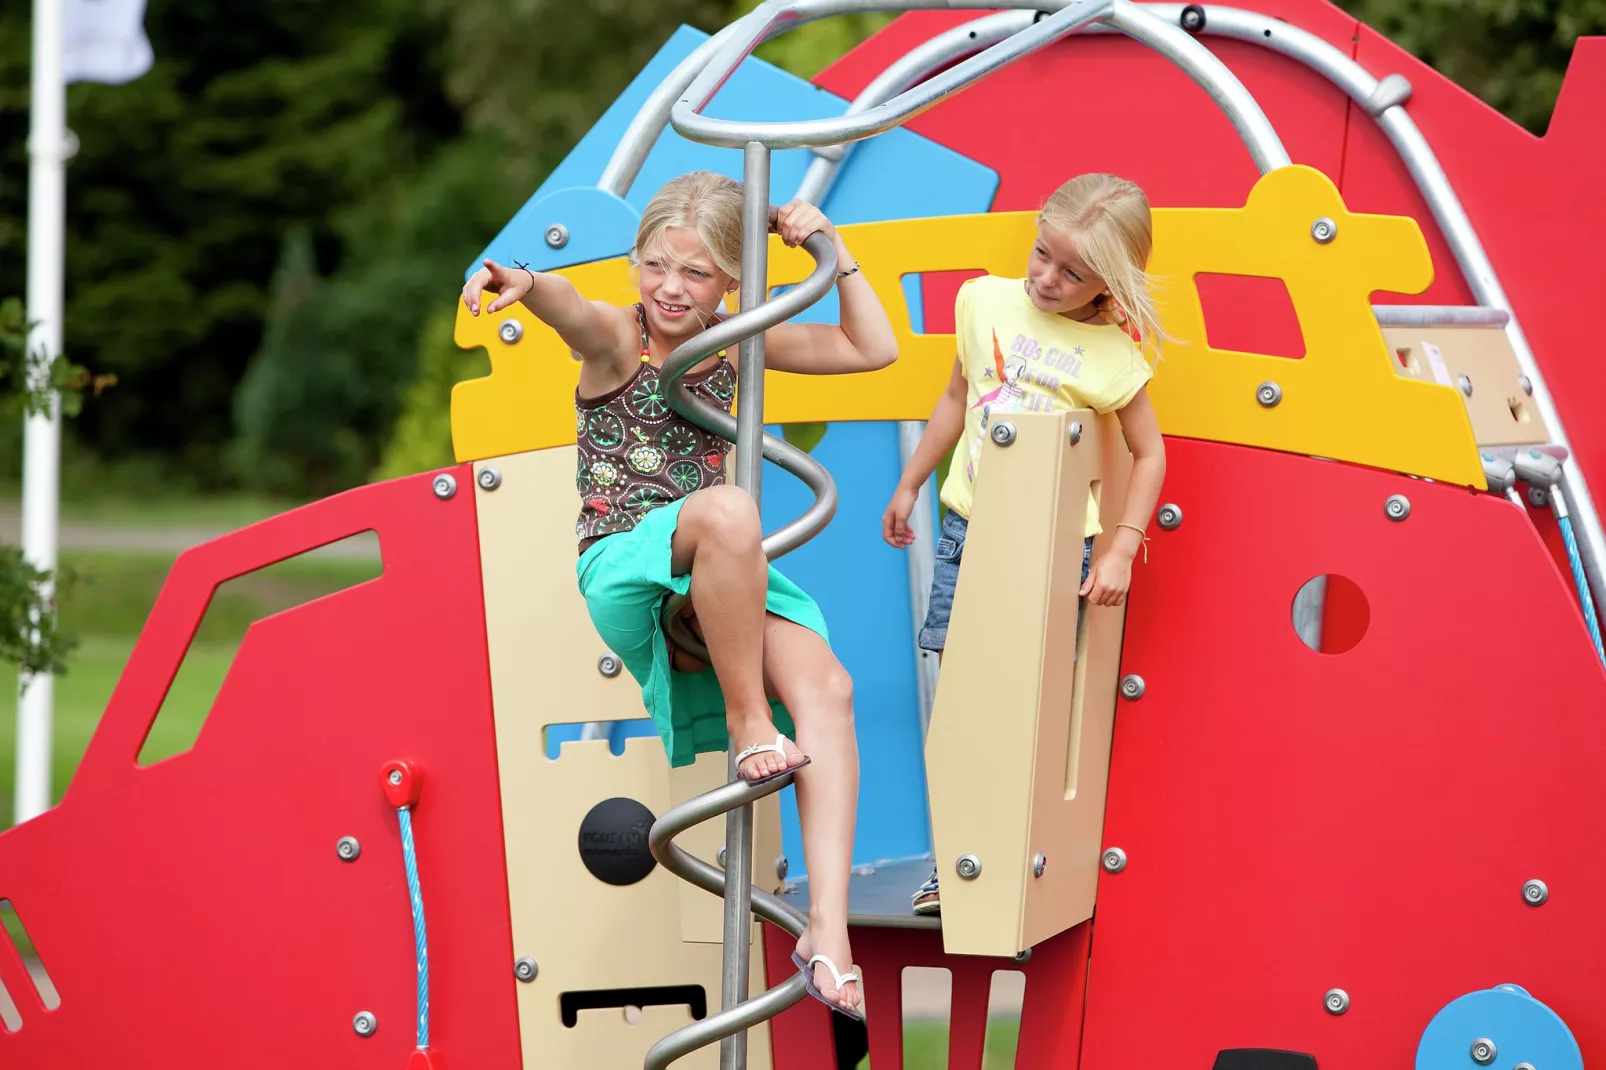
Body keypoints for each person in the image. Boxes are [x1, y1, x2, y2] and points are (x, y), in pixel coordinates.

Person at [461, 170, 898, 1019]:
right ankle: (747, 722)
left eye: (696, 274)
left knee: (830, 690)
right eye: (657, 265)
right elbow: (571, 312)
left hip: (720, 571)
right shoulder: (619, 342)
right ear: (634, 264)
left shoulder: (740, 342)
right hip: (628, 562)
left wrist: (830, 251)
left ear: (731, 282)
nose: (671, 287)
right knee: (733, 508)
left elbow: (870, 349)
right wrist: (528, 284)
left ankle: (829, 935)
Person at [881, 172, 1168, 916]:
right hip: (967, 530)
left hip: (1048, 547)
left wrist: (1121, 548)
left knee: (1024, 699)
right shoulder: (983, 302)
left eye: (1072, 274)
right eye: (1043, 255)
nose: (1047, 278)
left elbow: (1150, 454)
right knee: (961, 698)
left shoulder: (1112, 358)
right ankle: (961, 863)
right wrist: (912, 482)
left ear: (1109, 280)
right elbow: (956, 398)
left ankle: (1013, 858)